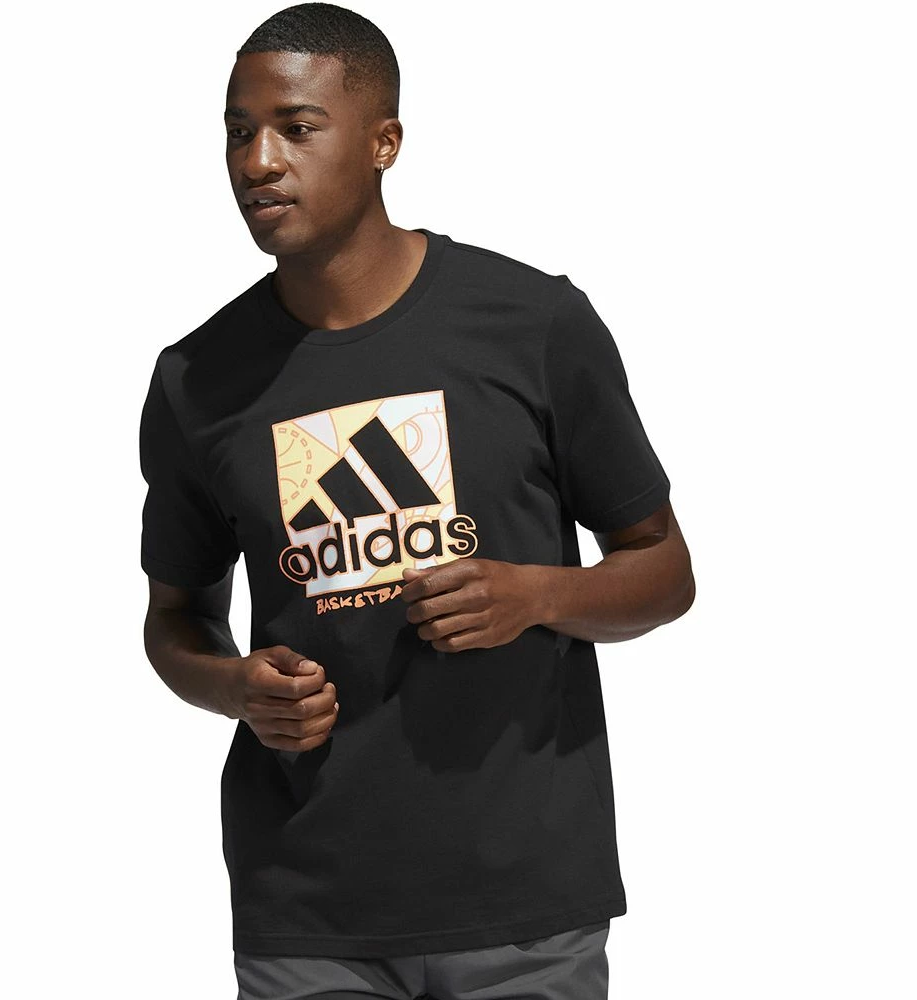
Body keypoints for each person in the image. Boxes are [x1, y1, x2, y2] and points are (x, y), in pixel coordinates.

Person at [138, 4, 695, 998]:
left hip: (523, 904)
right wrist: (235, 688)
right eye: (237, 132)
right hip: (306, 912)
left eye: (296, 128)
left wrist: (536, 595)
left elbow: (664, 569)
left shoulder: (532, 323)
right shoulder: (197, 380)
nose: (258, 161)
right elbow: (174, 617)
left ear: (384, 141)